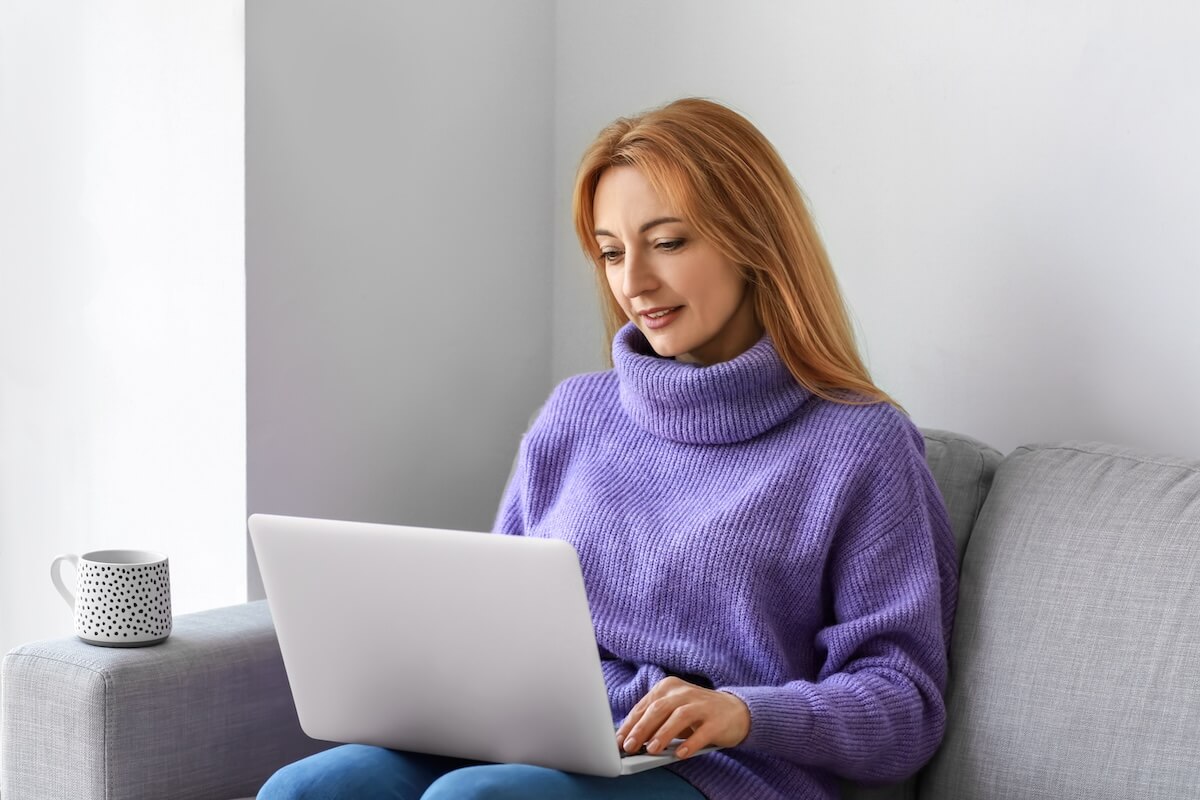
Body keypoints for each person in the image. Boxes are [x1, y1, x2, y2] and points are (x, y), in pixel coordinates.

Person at [258, 96, 957, 800]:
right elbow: (495, 628)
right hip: (542, 740)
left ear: (754, 240)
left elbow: (905, 708)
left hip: (727, 772)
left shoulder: (861, 444)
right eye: (613, 252)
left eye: (669, 242)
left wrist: (743, 713)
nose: (634, 283)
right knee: (309, 789)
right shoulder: (576, 414)